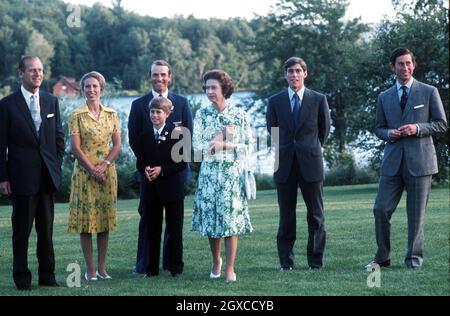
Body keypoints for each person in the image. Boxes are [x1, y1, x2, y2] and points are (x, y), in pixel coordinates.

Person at [366, 48, 447, 269]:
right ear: (393, 67)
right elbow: (378, 128)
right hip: (392, 163)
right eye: (400, 64)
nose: (405, 67)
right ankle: (382, 257)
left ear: (414, 64)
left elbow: (441, 124)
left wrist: (417, 128)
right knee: (380, 209)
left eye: (408, 63)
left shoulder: (429, 92)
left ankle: (414, 260)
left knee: (416, 216)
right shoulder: (384, 97)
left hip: (421, 163)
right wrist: (388, 134)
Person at [0, 56, 64, 290]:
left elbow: (58, 138)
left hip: (47, 177)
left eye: (40, 70)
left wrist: (56, 166)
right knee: (21, 233)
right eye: (32, 70)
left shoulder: (51, 101)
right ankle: (22, 279)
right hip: (20, 179)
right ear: (21, 73)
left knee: (46, 232)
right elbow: (1, 144)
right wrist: (3, 177)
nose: (37, 74)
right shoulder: (7, 105)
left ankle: (47, 277)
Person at [266, 57, 331, 271]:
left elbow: (324, 131)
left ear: (305, 73)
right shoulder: (275, 101)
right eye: (290, 71)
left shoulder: (318, 99)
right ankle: (286, 262)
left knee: (316, 215)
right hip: (284, 165)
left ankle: (315, 262)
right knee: (286, 216)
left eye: (297, 71)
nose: (294, 75)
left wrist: (308, 149)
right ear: (285, 75)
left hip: (311, 164)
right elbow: (272, 131)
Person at [128, 60, 193, 274]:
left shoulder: (182, 103)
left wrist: (165, 169)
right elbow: (134, 140)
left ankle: (172, 265)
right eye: (155, 75)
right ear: (150, 77)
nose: (159, 78)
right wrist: (146, 167)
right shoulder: (138, 105)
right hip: (149, 177)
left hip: (174, 176)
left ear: (170, 76)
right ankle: (147, 265)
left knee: (174, 226)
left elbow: (187, 141)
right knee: (149, 223)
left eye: (163, 75)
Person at [191, 69, 253, 282]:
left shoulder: (239, 115)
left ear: (224, 89)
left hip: (231, 176)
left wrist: (222, 143)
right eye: (207, 88)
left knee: (230, 222)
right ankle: (216, 260)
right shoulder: (201, 114)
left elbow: (247, 147)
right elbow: (197, 149)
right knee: (211, 221)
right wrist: (219, 140)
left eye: (213, 88)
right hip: (209, 175)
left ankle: (229, 267)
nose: (209, 92)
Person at [67, 71, 121, 281]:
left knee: (104, 222)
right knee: (87, 223)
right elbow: (75, 148)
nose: (91, 90)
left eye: (95, 86)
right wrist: (92, 169)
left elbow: (117, 145)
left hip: (107, 173)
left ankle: (102, 268)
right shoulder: (77, 115)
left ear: (101, 89)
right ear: (82, 89)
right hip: (84, 174)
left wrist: (104, 165)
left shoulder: (111, 114)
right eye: (87, 86)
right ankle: (90, 271)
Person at [136, 96, 187, 277]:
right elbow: (140, 162)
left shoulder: (177, 134)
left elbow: (181, 163)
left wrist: (161, 170)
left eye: (159, 112)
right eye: (152, 112)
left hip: (172, 189)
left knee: (175, 230)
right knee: (152, 229)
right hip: (151, 189)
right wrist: (146, 169)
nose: (155, 115)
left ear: (167, 114)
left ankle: (176, 268)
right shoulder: (144, 135)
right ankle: (151, 269)